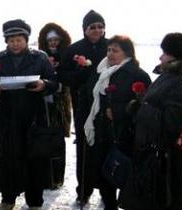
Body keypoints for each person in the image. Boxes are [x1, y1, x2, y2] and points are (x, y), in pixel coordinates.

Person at [120, 32, 182, 210]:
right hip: (156, 161)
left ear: (176, 56)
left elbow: (170, 123)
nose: (160, 56)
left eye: (164, 53)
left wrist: (140, 108)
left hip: (168, 167)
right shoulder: (172, 76)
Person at [0, 19, 59, 210]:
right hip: (6, 117)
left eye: (19, 39)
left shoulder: (40, 58)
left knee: (35, 159)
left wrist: (44, 85)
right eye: (11, 40)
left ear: (26, 39)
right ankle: (8, 198)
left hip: (34, 117)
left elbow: (55, 82)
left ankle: (35, 201)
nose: (15, 43)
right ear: (6, 41)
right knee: (8, 158)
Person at [82, 35, 151, 210]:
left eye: (115, 50)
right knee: (104, 173)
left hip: (124, 133)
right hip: (103, 130)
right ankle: (109, 205)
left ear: (127, 53)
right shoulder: (103, 70)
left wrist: (119, 112)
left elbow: (144, 106)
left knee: (122, 174)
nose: (110, 54)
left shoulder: (137, 74)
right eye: (109, 50)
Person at [56, 9, 108, 205]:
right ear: (85, 30)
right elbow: (62, 74)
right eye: (92, 27)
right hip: (82, 105)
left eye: (100, 27)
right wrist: (81, 75)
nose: (97, 30)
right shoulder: (73, 49)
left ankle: (106, 189)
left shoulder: (112, 47)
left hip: (106, 106)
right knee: (85, 148)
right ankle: (83, 190)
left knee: (105, 147)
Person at [37, 22, 72, 189]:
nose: (53, 43)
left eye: (56, 40)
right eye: (50, 40)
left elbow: (68, 80)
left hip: (59, 104)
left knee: (58, 141)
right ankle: (45, 177)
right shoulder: (39, 57)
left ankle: (57, 178)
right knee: (43, 140)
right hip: (42, 103)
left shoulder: (66, 56)